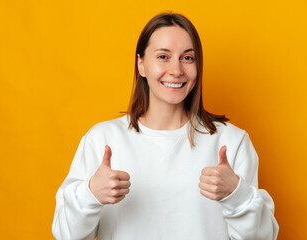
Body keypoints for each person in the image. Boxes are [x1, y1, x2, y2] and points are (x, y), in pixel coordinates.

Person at [52, 12, 279, 240]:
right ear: (141, 65)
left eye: (187, 58)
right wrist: (90, 194)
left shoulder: (232, 142)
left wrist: (236, 194)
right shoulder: (102, 140)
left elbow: (264, 237)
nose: (177, 70)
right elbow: (66, 235)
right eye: (163, 56)